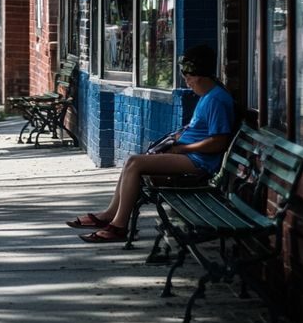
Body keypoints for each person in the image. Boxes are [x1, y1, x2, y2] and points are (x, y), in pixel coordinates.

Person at [67, 44, 234, 243]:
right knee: (132, 162)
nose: (186, 82)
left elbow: (219, 142)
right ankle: (110, 214)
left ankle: (119, 226)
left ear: (199, 75)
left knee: (136, 163)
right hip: (188, 156)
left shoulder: (216, 100)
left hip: (199, 163)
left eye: (188, 76)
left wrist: (182, 148)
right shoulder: (207, 96)